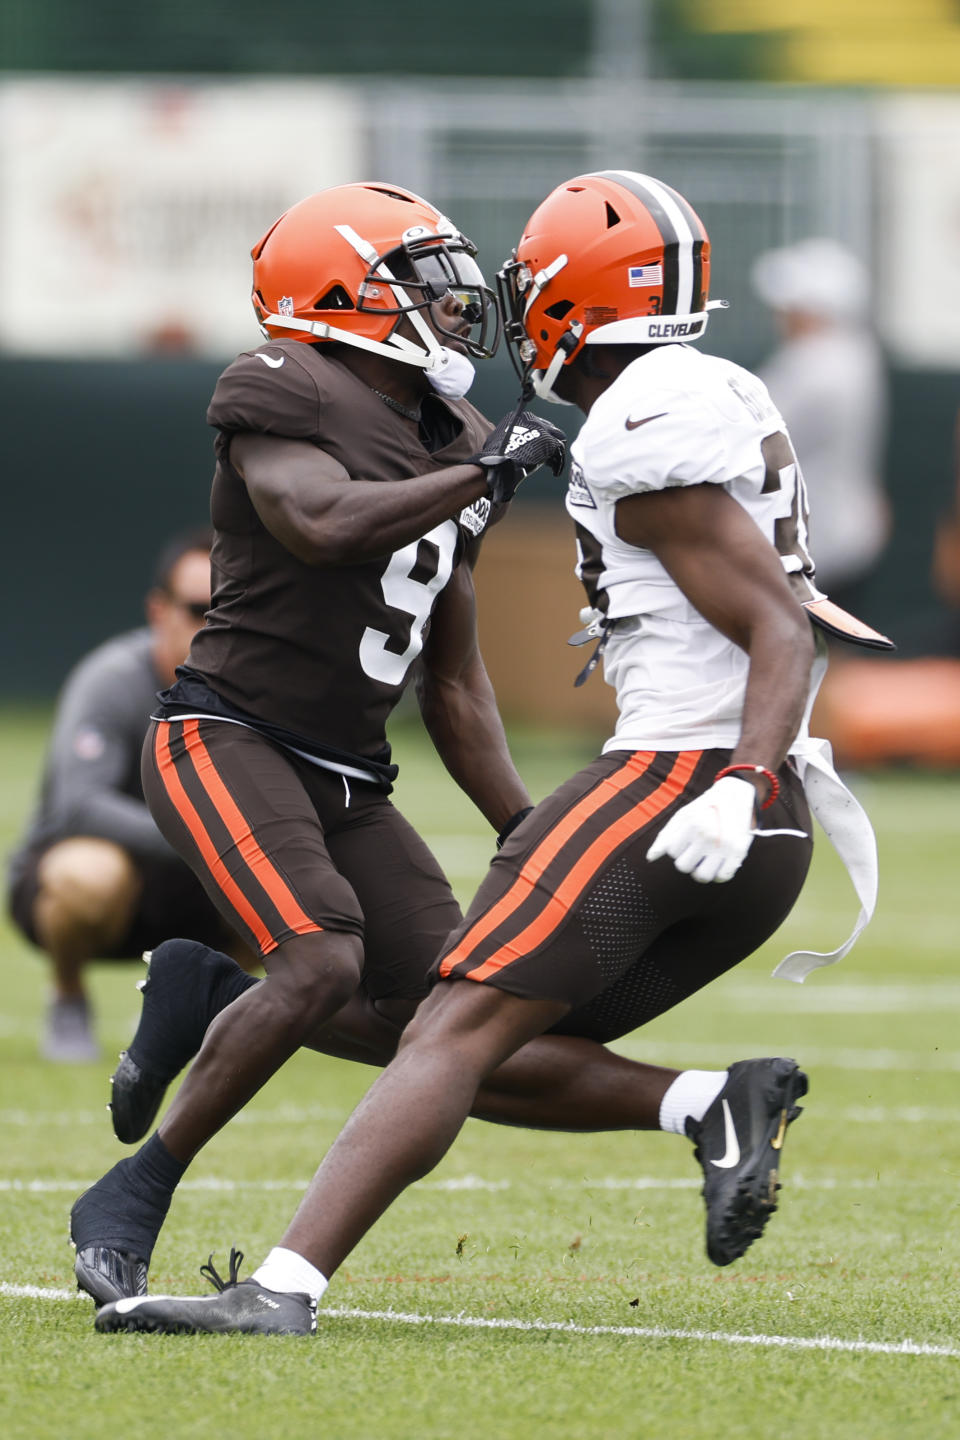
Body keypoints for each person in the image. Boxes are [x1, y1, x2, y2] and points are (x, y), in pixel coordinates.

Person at [87, 170, 887, 1337]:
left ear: (574, 295)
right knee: (471, 1032)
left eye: (507, 284)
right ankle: (713, 1104)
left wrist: (734, 775)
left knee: (452, 1028)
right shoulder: (702, 386)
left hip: (683, 782)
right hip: (755, 824)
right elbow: (326, 527)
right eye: (429, 285)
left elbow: (766, 623)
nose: (477, 307)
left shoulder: (609, 418)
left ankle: (280, 1288)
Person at [6, 528, 245, 1062]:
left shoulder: (256, 691)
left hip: (201, 885)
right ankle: (67, 997)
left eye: (229, 608)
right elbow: (80, 806)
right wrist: (204, 839)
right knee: (85, 875)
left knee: (298, 875)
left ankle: (223, 1012)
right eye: (197, 608)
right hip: (111, 888)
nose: (212, 624)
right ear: (158, 611)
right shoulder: (112, 678)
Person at [751, 237, 890, 611]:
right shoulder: (856, 353)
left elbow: (747, 436)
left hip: (816, 543)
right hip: (845, 533)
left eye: (792, 305)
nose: (781, 314)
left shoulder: (814, 364)